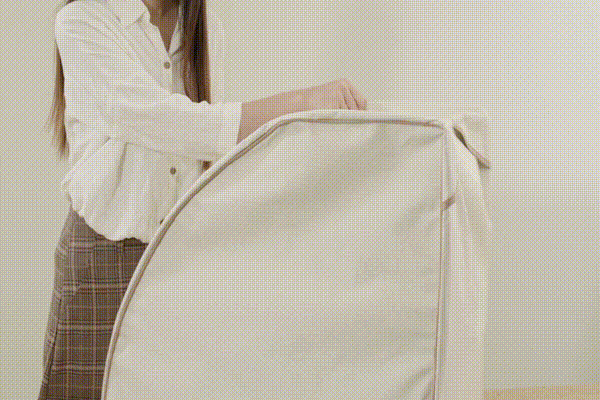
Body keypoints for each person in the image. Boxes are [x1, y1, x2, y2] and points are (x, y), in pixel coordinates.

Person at [39, 0, 368, 398]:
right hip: (103, 254)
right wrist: (298, 103)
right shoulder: (81, 20)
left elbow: (203, 158)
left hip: (179, 253)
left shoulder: (204, 28)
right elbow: (166, 122)